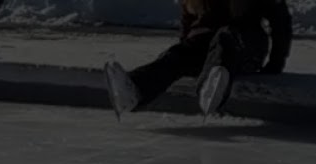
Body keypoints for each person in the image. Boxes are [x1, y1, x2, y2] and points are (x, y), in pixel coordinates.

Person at [103, 0, 293, 120]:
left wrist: (276, 63)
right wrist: (186, 48)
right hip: (206, 45)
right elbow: (187, 24)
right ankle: (135, 91)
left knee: (224, 38)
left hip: (245, 46)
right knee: (177, 55)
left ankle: (210, 87)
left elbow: (281, 21)